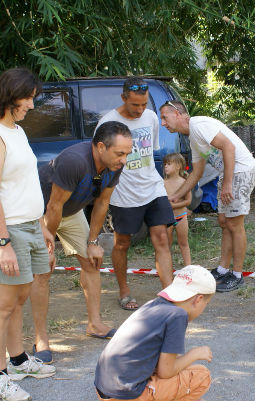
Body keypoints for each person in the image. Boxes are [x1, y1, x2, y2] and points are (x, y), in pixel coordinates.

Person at [0, 67, 56, 401]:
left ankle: (19, 360)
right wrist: (3, 243)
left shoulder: (16, 131)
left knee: (19, 298)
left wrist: (42, 227)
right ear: (11, 95)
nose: (32, 106)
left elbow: (22, 185)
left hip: (29, 227)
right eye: (29, 98)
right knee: (2, 305)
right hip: (7, 232)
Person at [30, 121, 133, 359]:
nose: (124, 160)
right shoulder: (75, 161)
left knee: (91, 262)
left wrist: (92, 242)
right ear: (100, 147)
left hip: (71, 212)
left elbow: (102, 202)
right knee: (43, 270)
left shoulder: (114, 164)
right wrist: (49, 246)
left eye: (127, 154)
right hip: (42, 213)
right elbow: (54, 206)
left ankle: (95, 324)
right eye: (120, 153)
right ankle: (41, 339)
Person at [161, 101, 255, 292]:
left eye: (165, 117)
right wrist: (175, 197)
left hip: (240, 171)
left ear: (178, 113)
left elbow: (228, 147)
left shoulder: (198, 125)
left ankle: (237, 276)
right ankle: (223, 269)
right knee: (224, 221)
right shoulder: (193, 138)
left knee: (234, 224)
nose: (163, 123)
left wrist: (228, 183)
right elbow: (196, 174)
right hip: (228, 173)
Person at [96, 77, 175, 311]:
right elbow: (100, 159)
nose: (140, 110)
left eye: (143, 105)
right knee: (122, 244)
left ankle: (168, 292)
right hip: (123, 193)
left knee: (162, 238)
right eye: (135, 105)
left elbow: (150, 153)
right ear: (123, 99)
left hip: (152, 187)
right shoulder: (107, 121)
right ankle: (124, 291)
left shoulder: (151, 117)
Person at [94, 264, 215, 401]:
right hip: (127, 395)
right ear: (198, 300)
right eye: (206, 304)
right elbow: (166, 372)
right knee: (201, 375)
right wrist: (194, 354)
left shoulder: (155, 304)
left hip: (105, 389)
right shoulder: (178, 315)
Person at [163, 153, 192, 267]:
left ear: (178, 166)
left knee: (184, 243)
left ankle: (188, 267)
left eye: (169, 164)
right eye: (165, 164)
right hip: (167, 219)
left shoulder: (185, 182)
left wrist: (173, 206)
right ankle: (166, 267)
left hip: (181, 217)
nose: (165, 166)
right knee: (166, 245)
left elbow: (188, 201)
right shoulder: (163, 183)